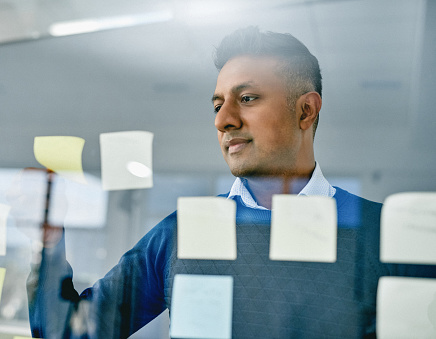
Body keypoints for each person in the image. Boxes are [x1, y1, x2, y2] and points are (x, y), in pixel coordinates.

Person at [27, 26, 436, 338]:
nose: (224, 120)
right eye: (218, 104)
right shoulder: (182, 233)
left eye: (248, 98)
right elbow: (70, 331)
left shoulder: (384, 235)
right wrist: (48, 238)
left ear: (306, 111)